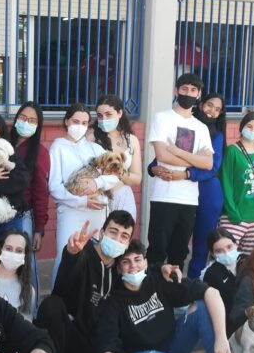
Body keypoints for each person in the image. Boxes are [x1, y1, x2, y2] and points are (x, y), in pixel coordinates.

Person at [97, 240, 254, 353]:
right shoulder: (114, 300)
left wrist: (221, 338)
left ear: (145, 262)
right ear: (119, 268)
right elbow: (108, 346)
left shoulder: (158, 280)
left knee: (202, 307)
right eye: (126, 262)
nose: (133, 266)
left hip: (172, 344)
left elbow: (211, 292)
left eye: (137, 260)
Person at [34, 211, 135, 353]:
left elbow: (143, 266)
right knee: (51, 305)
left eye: (124, 236)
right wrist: (72, 254)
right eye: (113, 232)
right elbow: (62, 285)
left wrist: (162, 269)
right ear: (102, 233)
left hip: (94, 343)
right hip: (68, 334)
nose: (117, 239)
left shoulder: (121, 267)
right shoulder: (83, 252)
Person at [146, 73, 215, 266]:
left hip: (189, 199)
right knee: (157, 251)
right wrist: (195, 160)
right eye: (184, 89)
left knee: (179, 253)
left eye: (193, 90)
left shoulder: (201, 127)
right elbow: (162, 155)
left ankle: (174, 286)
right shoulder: (162, 118)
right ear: (176, 91)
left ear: (199, 94)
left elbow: (208, 164)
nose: (188, 93)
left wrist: (176, 151)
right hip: (164, 196)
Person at [47, 103, 118, 280]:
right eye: (76, 121)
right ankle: (60, 295)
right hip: (71, 212)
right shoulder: (58, 148)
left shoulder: (95, 148)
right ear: (66, 121)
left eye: (84, 123)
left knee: (95, 259)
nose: (80, 126)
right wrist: (82, 201)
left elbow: (115, 176)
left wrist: (97, 183)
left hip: (98, 213)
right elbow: (54, 187)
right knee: (66, 257)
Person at [219, 110, 254, 254]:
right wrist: (232, 212)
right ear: (242, 127)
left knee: (251, 259)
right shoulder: (232, 151)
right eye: (249, 126)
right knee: (227, 256)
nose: (253, 130)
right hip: (234, 217)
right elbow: (225, 183)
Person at [9, 101, 50, 291]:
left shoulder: (39, 153)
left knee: (25, 267)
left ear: (38, 125)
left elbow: (41, 192)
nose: (26, 123)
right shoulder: (4, 143)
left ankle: (30, 306)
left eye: (32, 120)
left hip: (22, 216)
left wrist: (39, 229)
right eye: (23, 118)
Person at [187, 93, 227, 278]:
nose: (212, 111)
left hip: (209, 193)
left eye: (217, 109)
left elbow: (213, 167)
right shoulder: (185, 126)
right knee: (178, 242)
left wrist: (188, 174)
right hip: (181, 191)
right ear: (201, 104)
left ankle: (193, 284)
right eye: (209, 105)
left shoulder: (217, 135)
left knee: (201, 246)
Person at [92, 94, 142, 219]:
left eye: (108, 114)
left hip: (123, 197)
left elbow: (137, 178)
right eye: (100, 116)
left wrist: (118, 171)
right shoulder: (91, 137)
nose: (103, 119)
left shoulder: (131, 140)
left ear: (120, 113)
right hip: (98, 198)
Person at [200, 228, 245, 334]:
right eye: (219, 251)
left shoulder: (248, 261)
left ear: (236, 244)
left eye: (229, 247)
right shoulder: (210, 273)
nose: (226, 253)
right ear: (212, 254)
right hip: (227, 326)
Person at [0, 229, 36, 320]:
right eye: (8, 249)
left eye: (19, 251)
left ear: (25, 256)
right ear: (0, 249)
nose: (13, 254)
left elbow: (26, 325)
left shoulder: (28, 291)